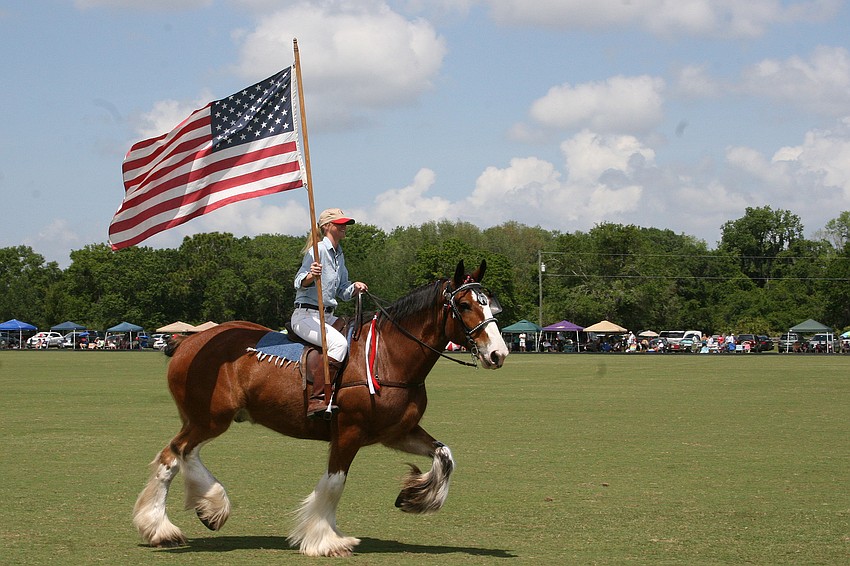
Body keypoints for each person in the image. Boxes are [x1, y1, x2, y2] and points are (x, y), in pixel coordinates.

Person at [291, 208, 368, 419]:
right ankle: (317, 399)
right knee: (339, 344)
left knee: (355, 338)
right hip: (306, 315)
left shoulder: (339, 254)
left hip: (328, 315)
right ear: (327, 227)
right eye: (339, 223)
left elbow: (342, 291)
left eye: (345, 224)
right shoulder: (317, 250)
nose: (344, 227)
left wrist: (354, 288)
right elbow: (298, 282)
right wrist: (309, 276)